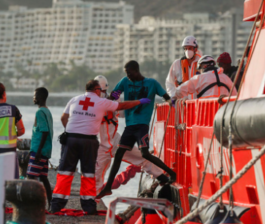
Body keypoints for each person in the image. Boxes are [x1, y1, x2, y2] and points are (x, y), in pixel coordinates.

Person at [51, 80, 150, 214]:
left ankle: (56, 205)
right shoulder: (100, 102)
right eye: (102, 91)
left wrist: (70, 130)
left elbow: (64, 117)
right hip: (88, 141)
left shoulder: (75, 99)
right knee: (88, 174)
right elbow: (122, 106)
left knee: (65, 172)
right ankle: (89, 206)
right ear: (97, 90)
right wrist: (139, 101)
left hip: (70, 139)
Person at [96, 60, 176, 200]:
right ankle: (103, 191)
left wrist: (172, 104)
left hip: (132, 131)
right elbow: (114, 97)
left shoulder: (151, 83)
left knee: (144, 154)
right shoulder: (123, 84)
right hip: (119, 133)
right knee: (110, 162)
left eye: (129, 72)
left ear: (136, 70)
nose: (127, 76)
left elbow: (166, 97)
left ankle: (167, 174)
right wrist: (109, 100)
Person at [27, 87, 53, 209]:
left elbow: (45, 131)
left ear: (41, 98)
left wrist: (37, 152)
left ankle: (32, 205)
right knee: (43, 178)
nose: (33, 98)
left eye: (35, 95)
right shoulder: (47, 111)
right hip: (45, 151)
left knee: (31, 177)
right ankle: (51, 204)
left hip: (39, 151)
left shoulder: (40, 112)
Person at [173, 55, 237, 100]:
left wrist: (174, 98)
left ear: (203, 67)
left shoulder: (200, 78)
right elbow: (235, 95)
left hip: (205, 115)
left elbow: (179, 90)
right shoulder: (226, 78)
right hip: (222, 114)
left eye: (199, 71)